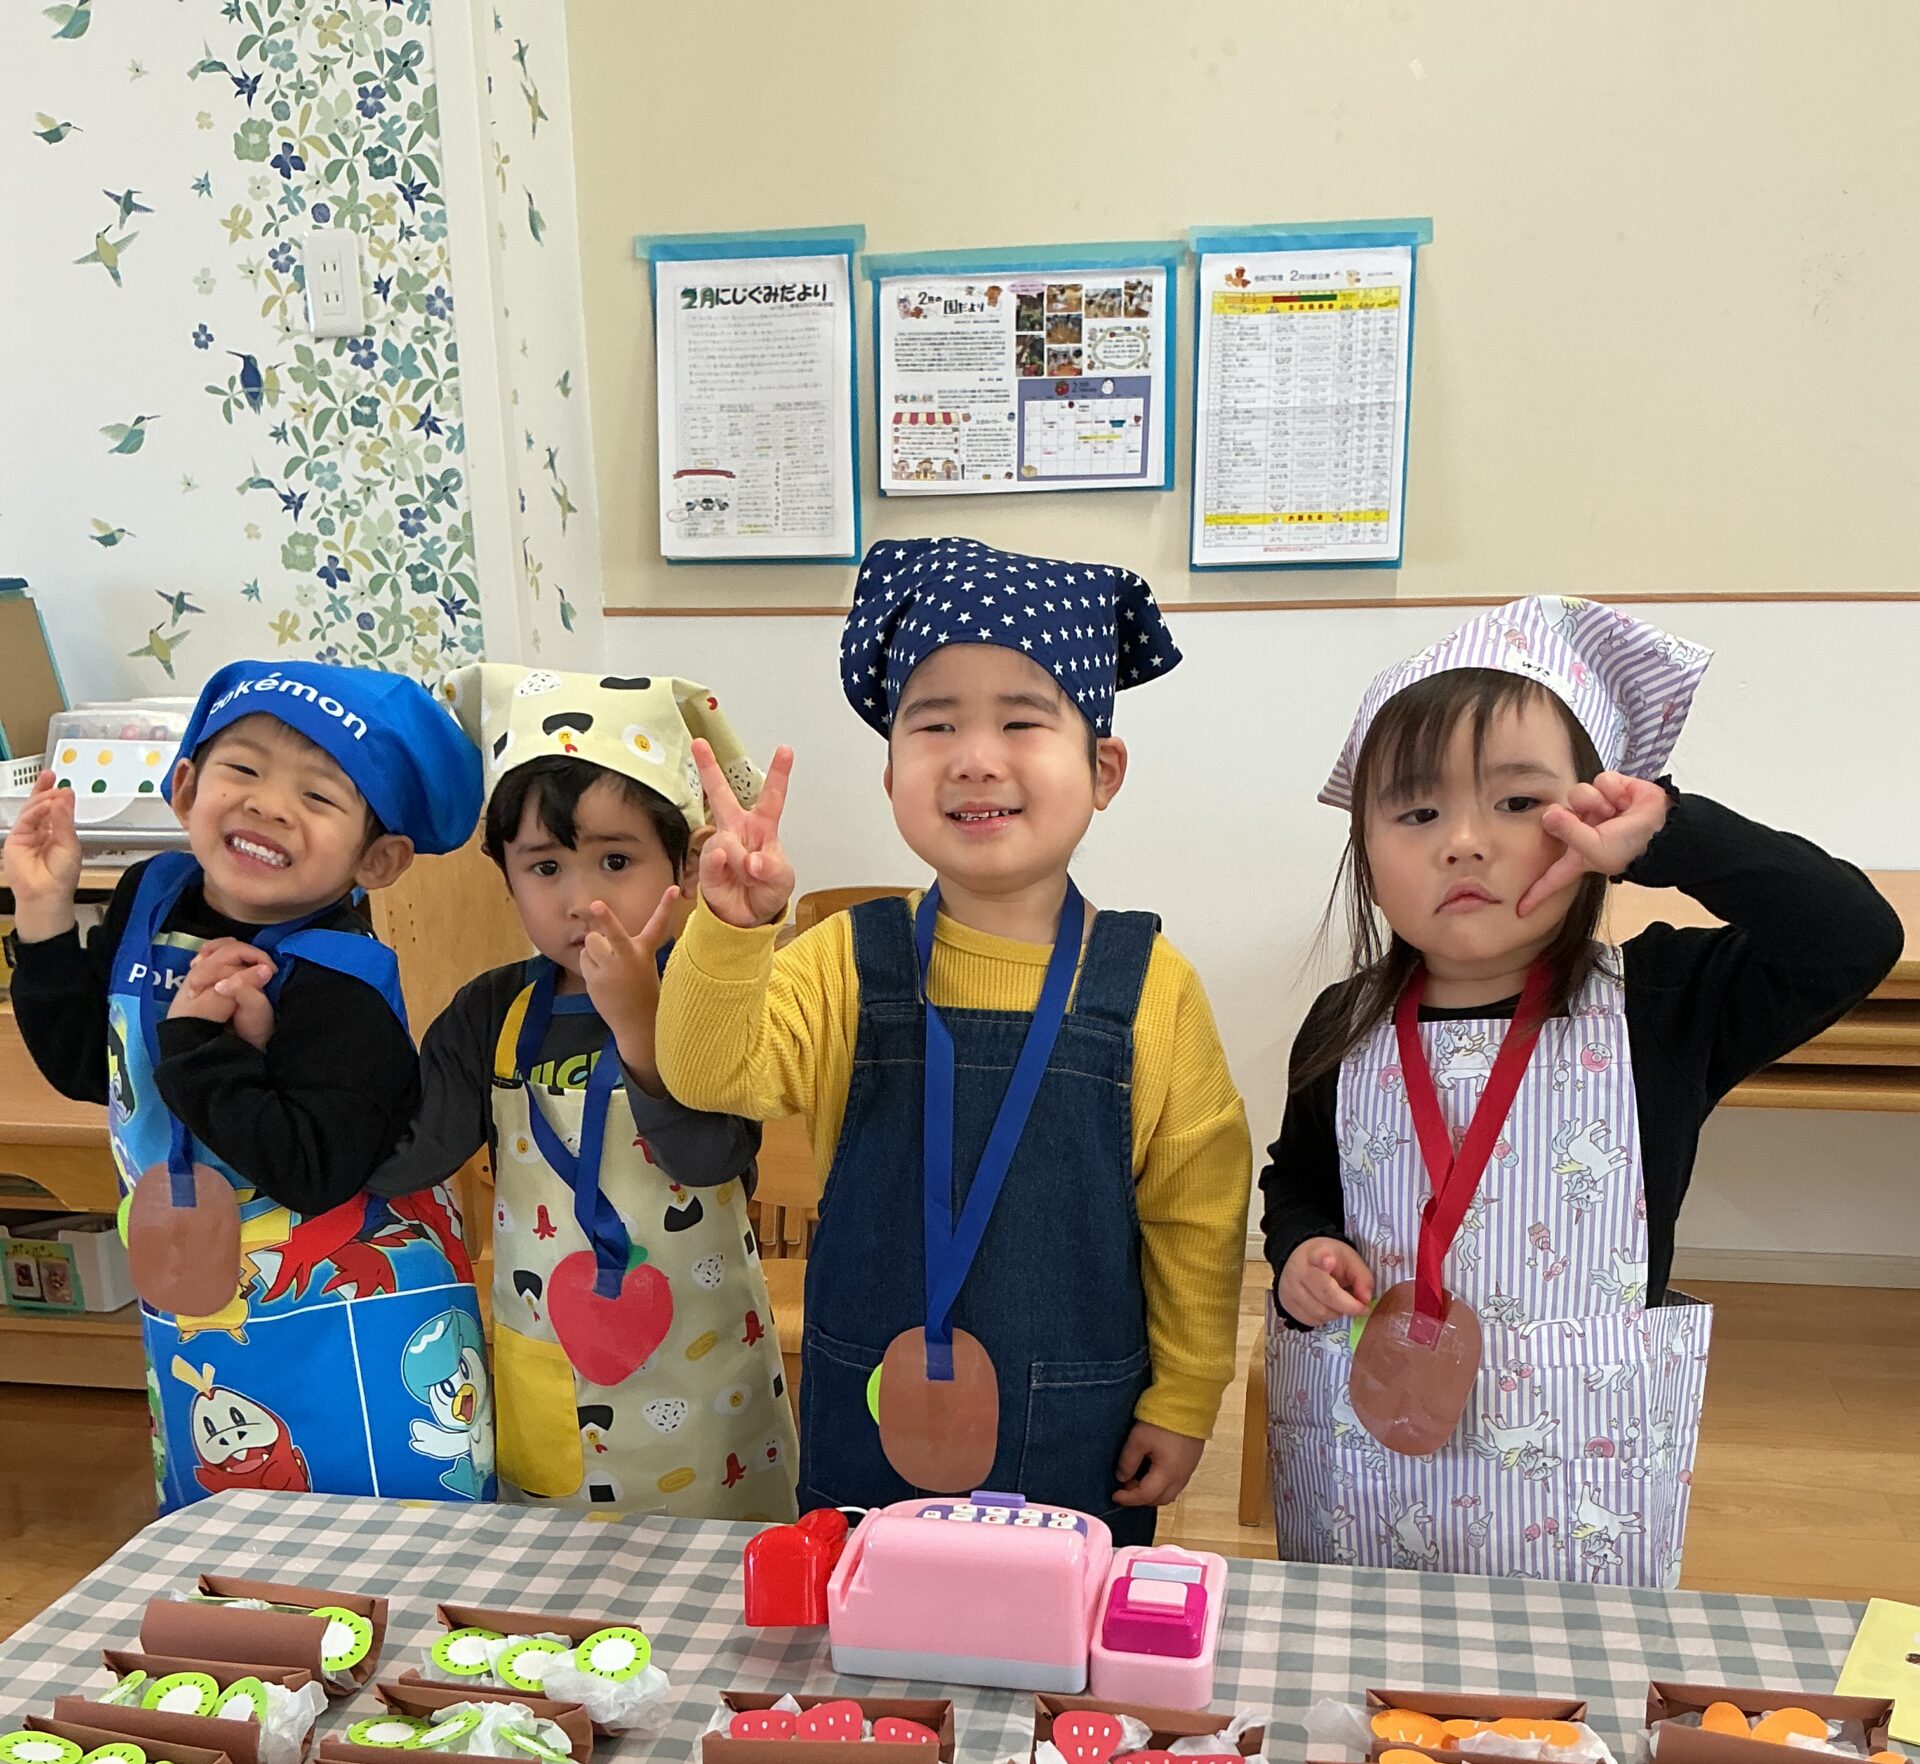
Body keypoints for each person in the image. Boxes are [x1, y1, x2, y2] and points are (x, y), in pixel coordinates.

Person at [1261, 597, 1903, 1584]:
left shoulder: (1663, 1007)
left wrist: (1671, 836)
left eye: (1519, 802)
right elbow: (1298, 1176)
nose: (1463, 840)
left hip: (1579, 1497)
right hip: (1373, 1468)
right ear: (1367, 855)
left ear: (1597, 821)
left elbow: (1851, 937)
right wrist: (1301, 1248)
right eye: (1418, 812)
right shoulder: (1344, 1024)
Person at [656, 536, 1251, 1544]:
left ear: (1103, 769)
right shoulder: (842, 960)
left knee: (1062, 1638)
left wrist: (1188, 1394)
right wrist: (731, 929)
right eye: (934, 724)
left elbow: (1198, 1209)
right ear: (892, 774)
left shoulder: (1152, 986)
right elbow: (708, 1071)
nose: (976, 755)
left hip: (1083, 1430)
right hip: (871, 1419)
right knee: (870, 1631)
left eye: (1021, 720)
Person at [4, 660, 493, 1512]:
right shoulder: (152, 898)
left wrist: (198, 1043)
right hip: (202, 1298)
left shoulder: (342, 984)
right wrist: (44, 918)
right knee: (227, 1531)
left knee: (380, 1538)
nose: (269, 804)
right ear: (185, 787)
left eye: (318, 795)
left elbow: (311, 1169)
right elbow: (95, 1068)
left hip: (354, 1319)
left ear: (377, 859)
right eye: (243, 768)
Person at [370, 665, 796, 1519]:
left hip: (703, 1382)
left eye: (616, 860)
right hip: (554, 1369)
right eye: (545, 867)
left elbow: (709, 1158)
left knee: (716, 1573)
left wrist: (639, 1024)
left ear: (683, 864)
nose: (582, 898)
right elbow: (408, 1157)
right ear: (505, 876)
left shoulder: (706, 996)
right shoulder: (488, 1013)